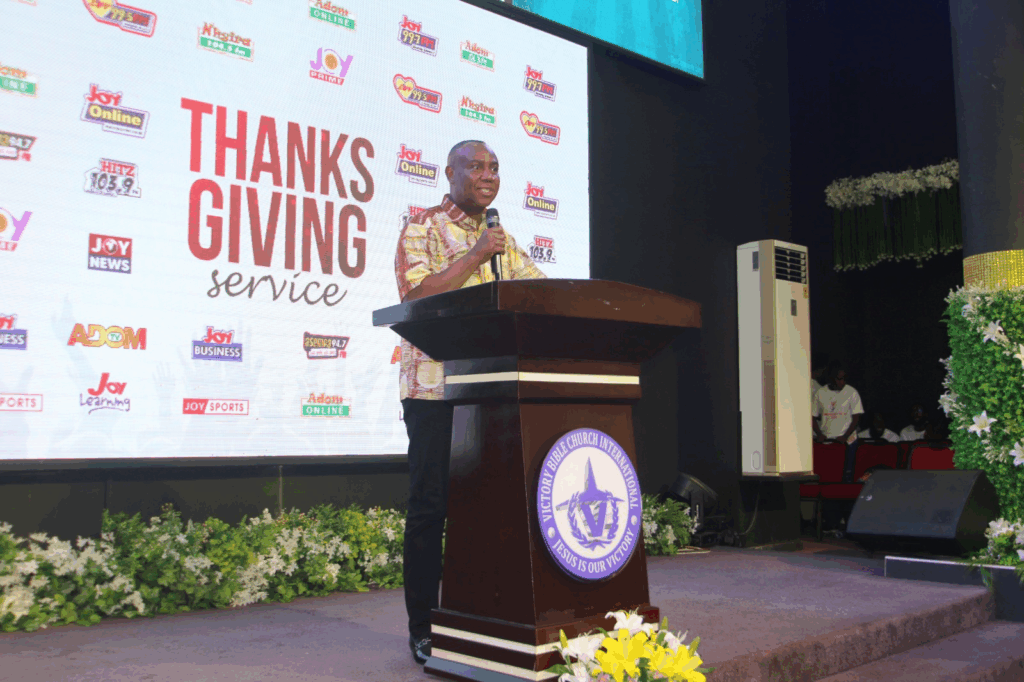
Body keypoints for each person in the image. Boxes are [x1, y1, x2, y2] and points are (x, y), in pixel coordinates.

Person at [395, 140, 546, 665]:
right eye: (476, 166)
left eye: (494, 168)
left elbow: (542, 291)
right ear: (450, 173)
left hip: (492, 396)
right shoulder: (423, 227)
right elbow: (416, 297)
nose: (487, 175)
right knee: (430, 507)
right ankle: (423, 626)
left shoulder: (502, 238)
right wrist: (477, 254)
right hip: (436, 391)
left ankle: (481, 619)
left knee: (488, 508)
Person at [812, 362, 864, 483]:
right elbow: (812, 417)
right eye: (839, 379)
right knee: (828, 475)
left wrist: (845, 436)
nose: (842, 382)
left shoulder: (852, 392)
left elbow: (856, 417)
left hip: (847, 441)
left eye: (844, 379)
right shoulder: (820, 393)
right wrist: (819, 434)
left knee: (846, 476)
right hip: (827, 441)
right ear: (831, 378)